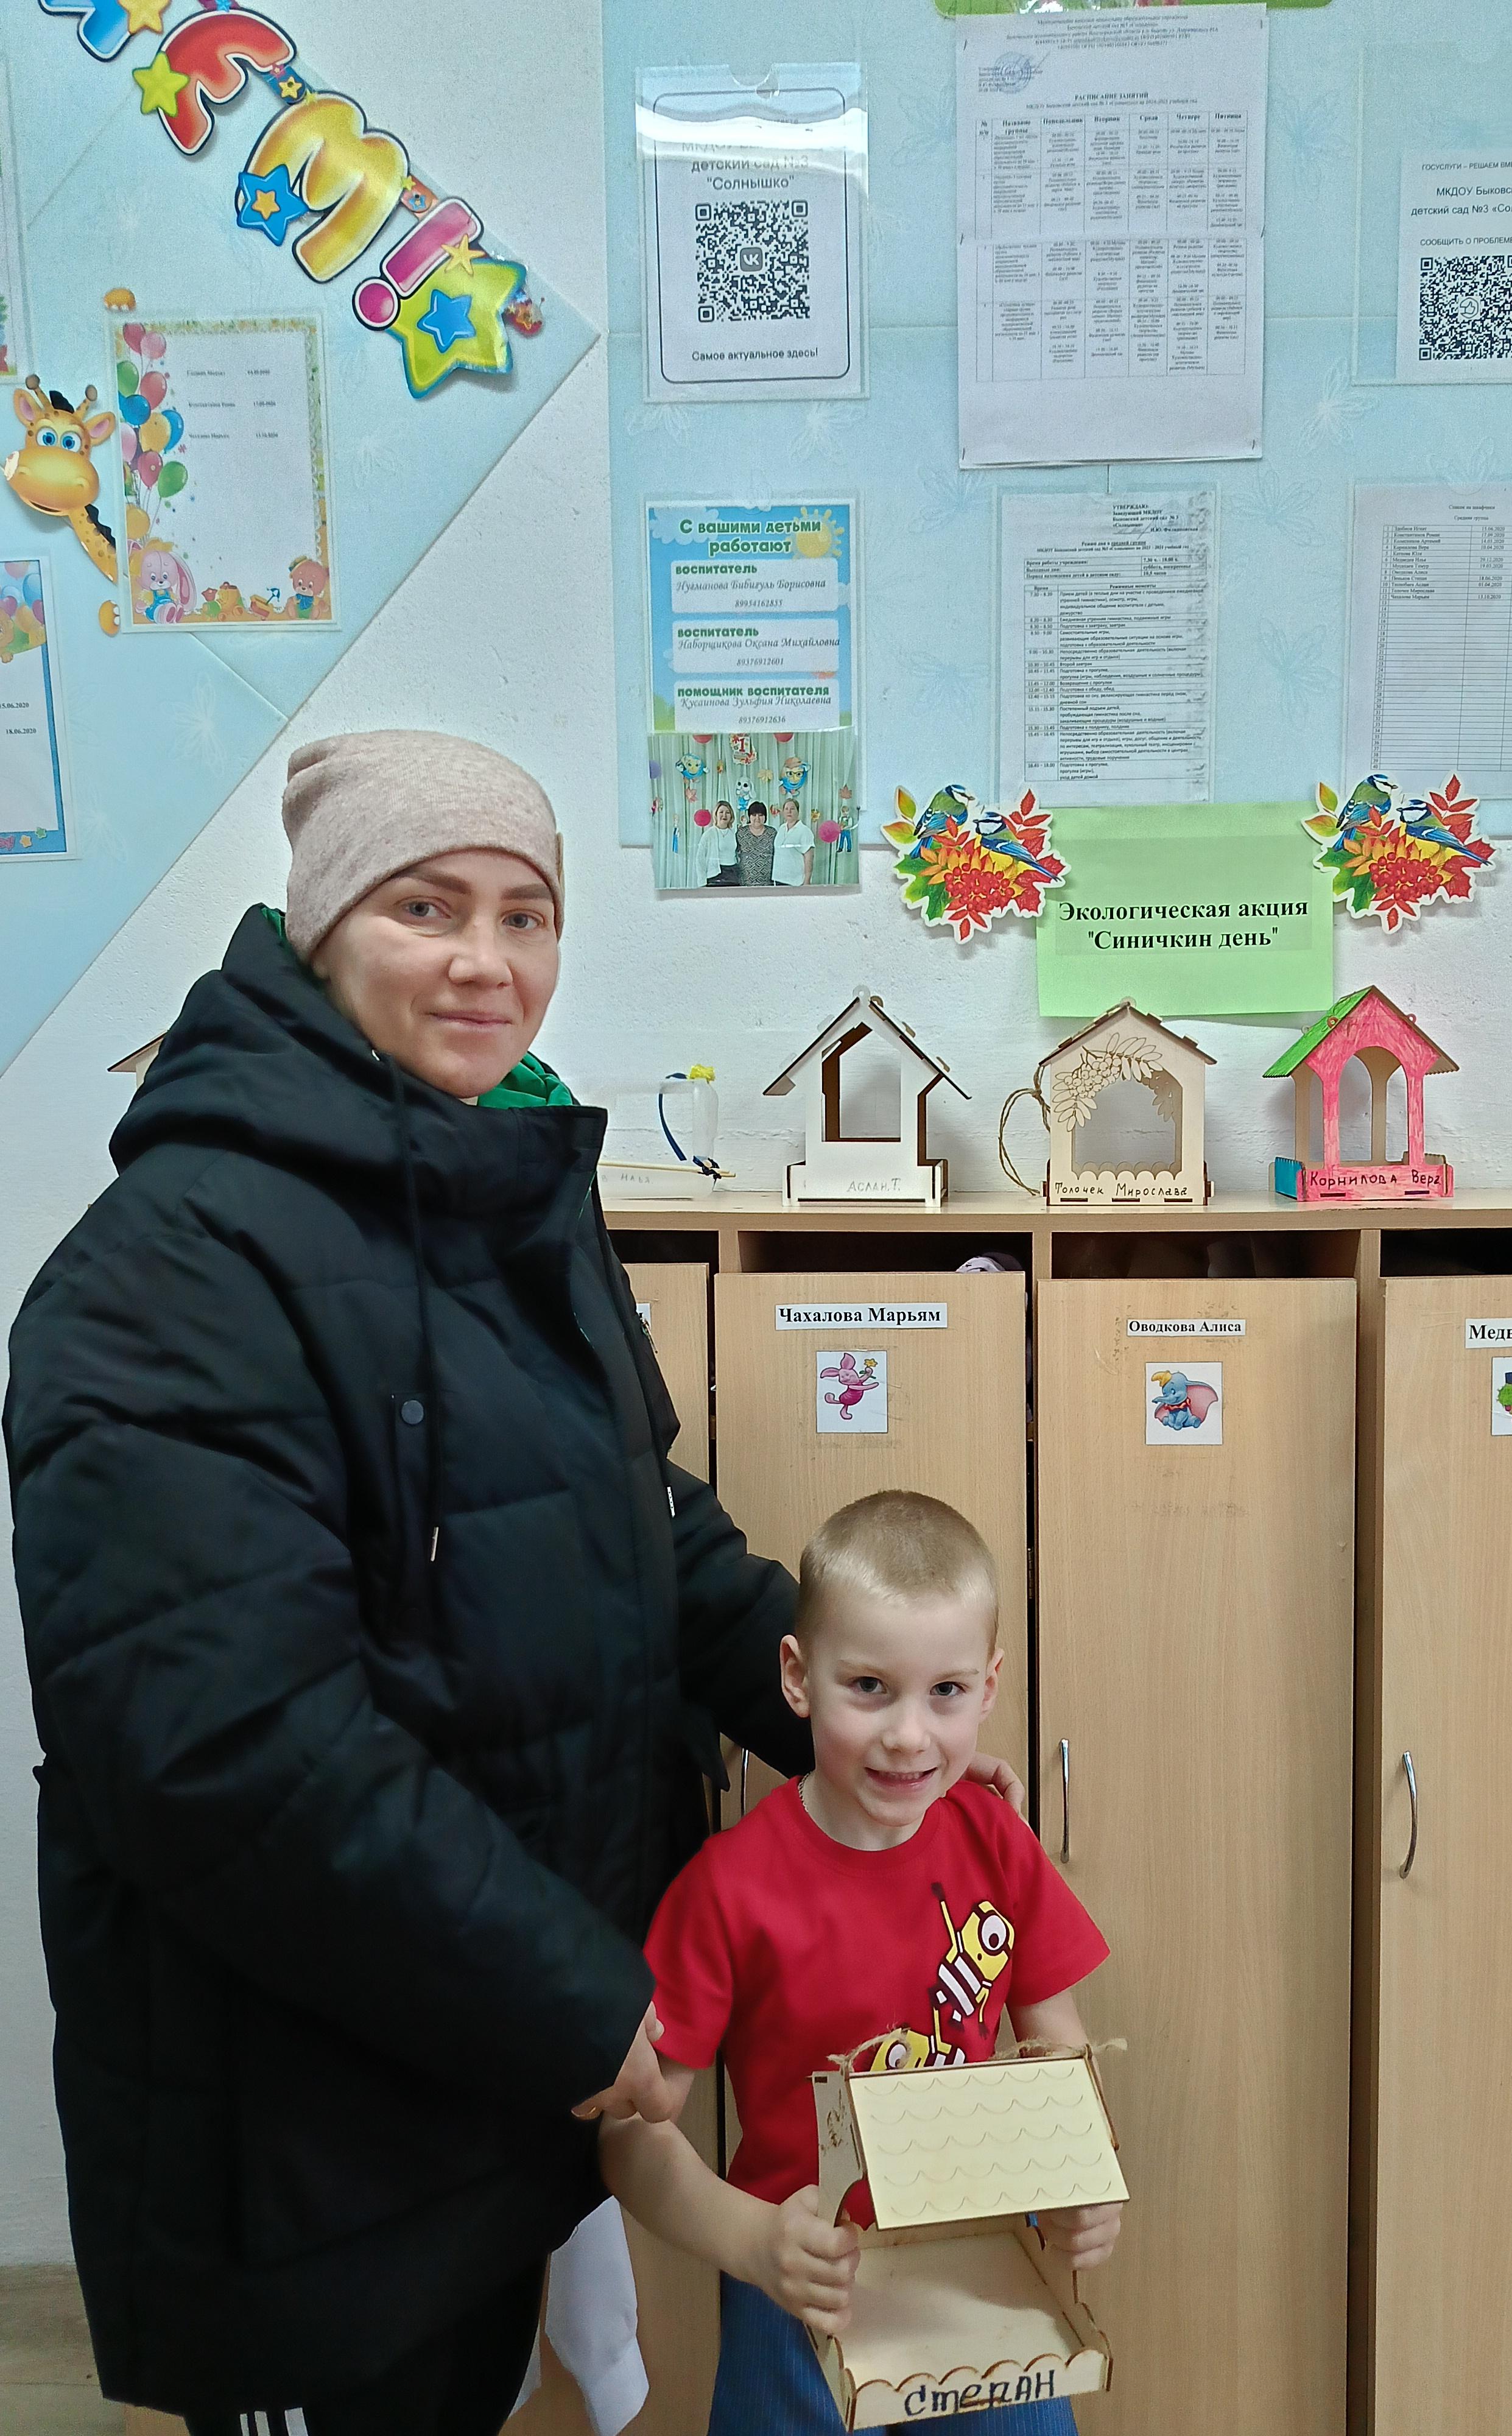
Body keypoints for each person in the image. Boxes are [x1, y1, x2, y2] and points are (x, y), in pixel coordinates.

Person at [6, 731, 1019, 2434]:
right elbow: (226, 1746)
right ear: (320, 928)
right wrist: (575, 1994)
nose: (486, 960)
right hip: (305, 2139)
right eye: (425, 907)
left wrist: (854, 1717)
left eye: (524, 914)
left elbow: (623, 1520)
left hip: (481, 2083)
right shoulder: (174, 1268)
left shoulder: (488, 1184)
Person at [597, 1491, 1122, 2435]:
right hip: (801, 2292)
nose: (909, 1735)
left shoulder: (997, 1843)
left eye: (946, 1692)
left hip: (986, 2272)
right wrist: (755, 2241)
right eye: (871, 1687)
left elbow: (1060, 2062)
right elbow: (631, 2132)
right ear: (797, 1677)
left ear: (990, 1688)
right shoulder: (729, 1886)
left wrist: (1083, 2186)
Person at [770, 798, 813, 889]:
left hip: (795, 882)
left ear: (798, 811)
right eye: (786, 809)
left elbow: (809, 859)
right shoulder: (781, 828)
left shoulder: (804, 831)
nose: (789, 812)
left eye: (792, 809)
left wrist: (807, 882)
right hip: (778, 880)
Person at [696, 798, 739, 887]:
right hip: (716, 875)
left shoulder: (734, 833)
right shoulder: (709, 834)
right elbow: (700, 859)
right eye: (721, 812)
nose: (724, 815)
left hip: (733, 874)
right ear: (716, 814)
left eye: (728, 813)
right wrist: (702, 882)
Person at [734, 801, 776, 887]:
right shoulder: (741, 833)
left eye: (761, 815)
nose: (757, 818)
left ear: (765, 817)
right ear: (750, 816)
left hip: (767, 883)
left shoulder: (772, 833)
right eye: (754, 815)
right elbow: (735, 854)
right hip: (745, 883)